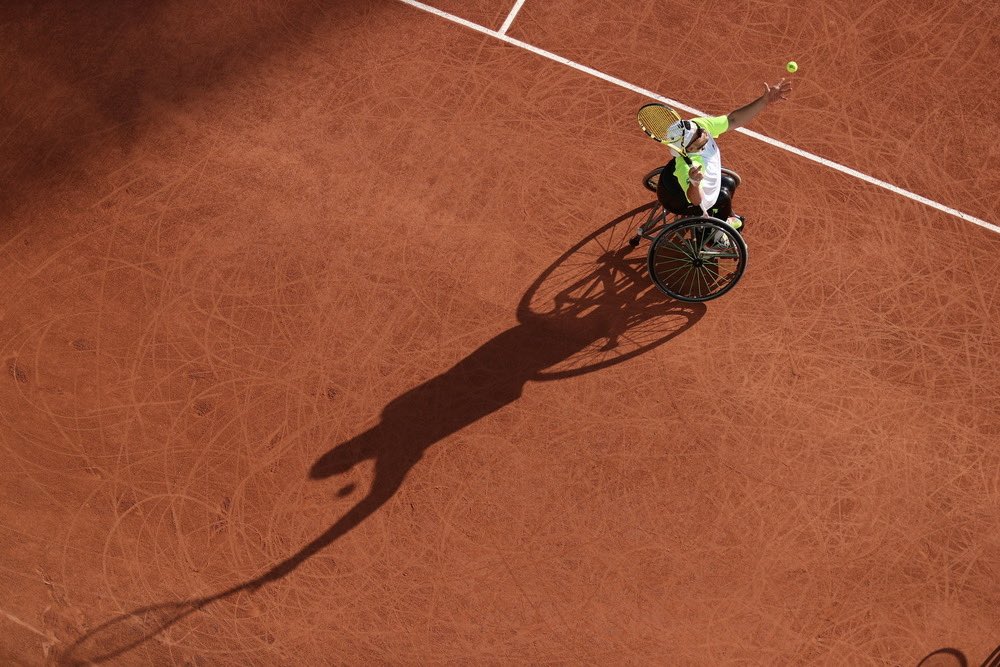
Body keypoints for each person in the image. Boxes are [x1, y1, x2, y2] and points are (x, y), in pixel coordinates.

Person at [654, 79, 792, 245]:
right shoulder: (689, 166)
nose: (703, 132)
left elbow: (733, 120)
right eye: (698, 136)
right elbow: (695, 201)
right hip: (678, 198)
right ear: (689, 149)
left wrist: (764, 101)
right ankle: (711, 234)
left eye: (698, 129)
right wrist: (695, 183)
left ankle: (725, 217)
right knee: (723, 195)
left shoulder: (698, 127)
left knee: (729, 182)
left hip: (675, 180)